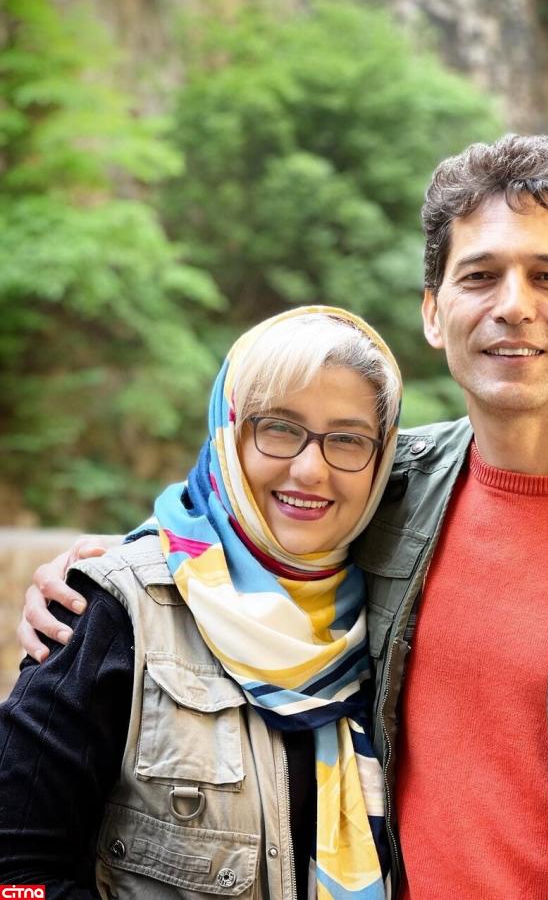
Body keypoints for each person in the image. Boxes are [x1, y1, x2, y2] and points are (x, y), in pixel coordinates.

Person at [16, 135, 548, 899]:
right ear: (434, 313)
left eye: (547, 277)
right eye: (480, 275)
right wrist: (111, 574)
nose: (513, 306)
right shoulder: (386, 486)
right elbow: (245, 524)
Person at [0, 306, 402, 899]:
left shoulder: (396, 610)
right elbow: (15, 876)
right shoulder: (113, 611)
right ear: (227, 433)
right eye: (279, 428)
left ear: (381, 458)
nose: (310, 468)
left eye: (347, 439)